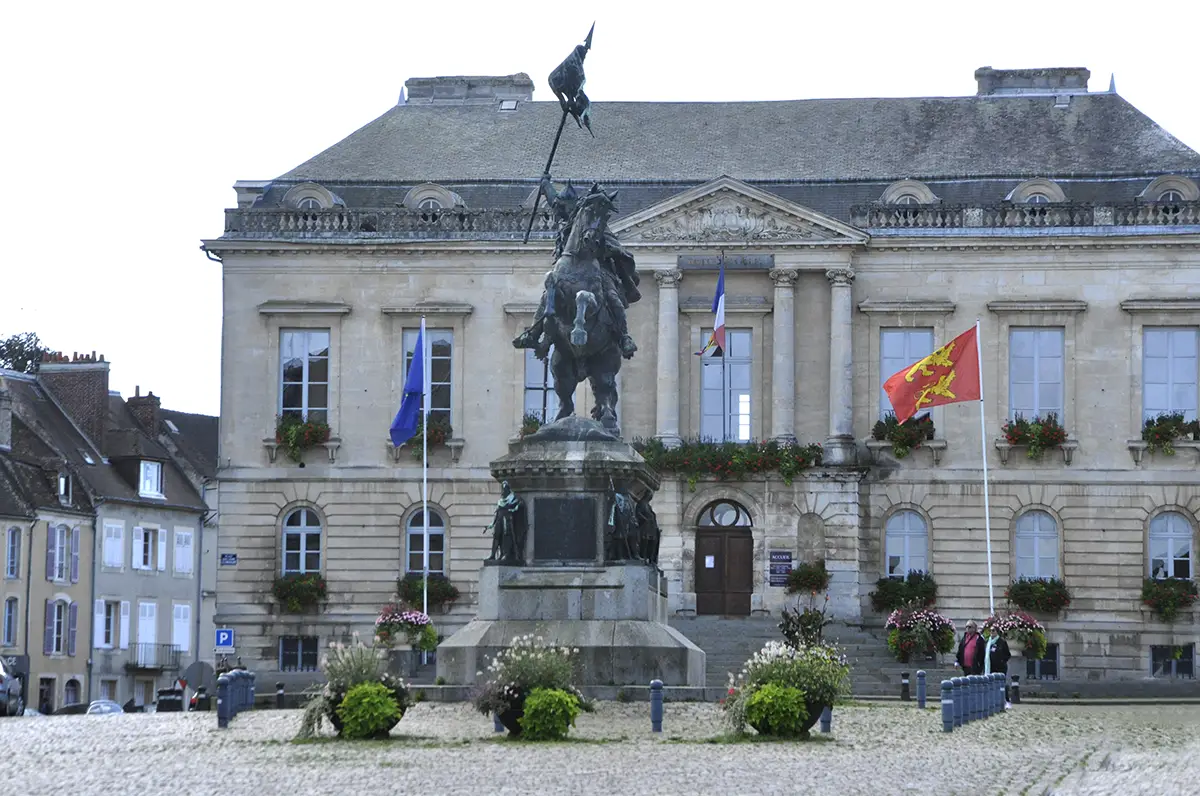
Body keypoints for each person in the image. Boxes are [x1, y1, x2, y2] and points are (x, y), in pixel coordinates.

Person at [985, 633, 1013, 706]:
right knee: (992, 685)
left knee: (1002, 684)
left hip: (1001, 667)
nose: (991, 632)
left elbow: (1008, 655)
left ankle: (1006, 700)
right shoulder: (988, 642)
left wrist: (1002, 661)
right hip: (991, 667)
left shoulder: (1002, 642)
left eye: (993, 630)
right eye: (990, 630)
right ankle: (994, 701)